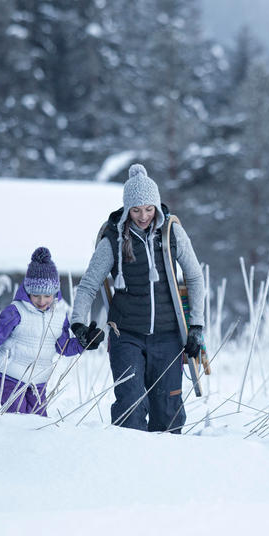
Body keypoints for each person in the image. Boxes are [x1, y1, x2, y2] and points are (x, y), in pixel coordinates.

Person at [70, 163, 205, 433]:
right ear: (126, 209)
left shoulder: (171, 233)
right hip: (126, 335)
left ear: (156, 206)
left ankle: (166, 468)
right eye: (136, 210)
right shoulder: (113, 240)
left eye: (148, 209)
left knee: (168, 412)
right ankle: (127, 468)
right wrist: (78, 324)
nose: (143, 216)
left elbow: (195, 277)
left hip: (168, 336)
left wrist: (196, 326)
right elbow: (88, 286)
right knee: (130, 407)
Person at [0, 247, 87, 416]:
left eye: (47, 296)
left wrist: (83, 343)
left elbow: (62, 346)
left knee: (38, 422)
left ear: (55, 293)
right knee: (17, 421)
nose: (42, 301)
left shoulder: (59, 315)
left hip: (39, 381)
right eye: (36, 295)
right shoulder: (16, 311)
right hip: (10, 376)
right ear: (27, 292)